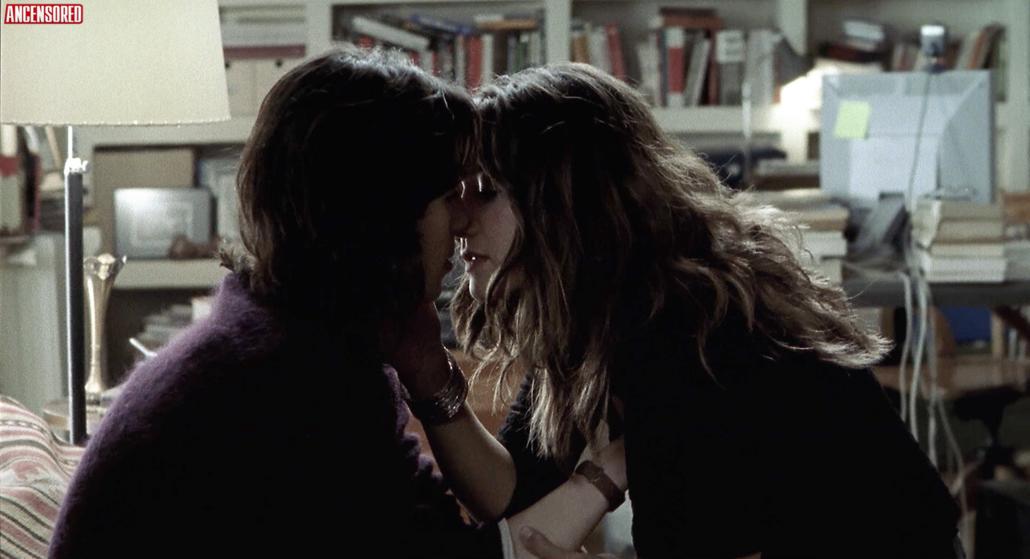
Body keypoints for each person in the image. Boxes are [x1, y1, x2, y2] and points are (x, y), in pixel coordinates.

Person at [48, 50, 625, 559]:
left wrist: (429, 376)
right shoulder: (301, 379)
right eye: (447, 196)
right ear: (387, 213)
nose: (459, 222)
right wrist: (612, 471)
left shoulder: (280, 334)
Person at [396, 63, 962, 559]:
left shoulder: (687, 334)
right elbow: (515, 495)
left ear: (566, 200)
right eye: (456, 194)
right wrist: (428, 373)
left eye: (485, 191)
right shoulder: (601, 308)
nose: (460, 220)